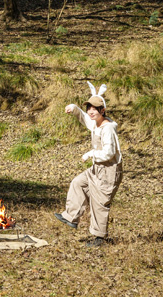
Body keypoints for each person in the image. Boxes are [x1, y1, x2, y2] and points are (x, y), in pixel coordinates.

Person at [54, 82, 122, 247]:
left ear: (102, 110)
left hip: (109, 171)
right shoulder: (96, 122)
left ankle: (100, 238)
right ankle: (71, 217)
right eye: (89, 107)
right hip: (97, 168)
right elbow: (85, 119)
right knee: (78, 183)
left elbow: (109, 153)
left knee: (99, 204)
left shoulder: (108, 128)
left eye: (95, 108)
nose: (91, 111)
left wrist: (90, 154)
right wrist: (74, 108)